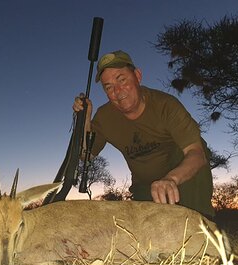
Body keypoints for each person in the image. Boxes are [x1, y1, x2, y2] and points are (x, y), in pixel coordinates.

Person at [73, 50, 214, 217]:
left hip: (179, 180)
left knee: (199, 148)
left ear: (138, 76)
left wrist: (171, 180)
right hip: (144, 188)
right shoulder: (104, 117)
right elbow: (85, 155)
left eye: (122, 79)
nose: (117, 91)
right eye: (108, 87)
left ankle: (202, 221)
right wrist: (85, 119)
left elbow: (196, 154)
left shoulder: (166, 105)